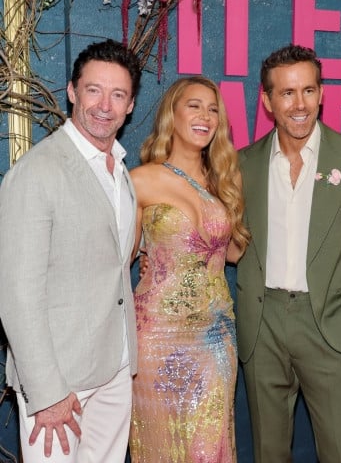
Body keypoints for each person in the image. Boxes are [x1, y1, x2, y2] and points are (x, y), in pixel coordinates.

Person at [0, 39, 141, 462]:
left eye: (118, 94)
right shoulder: (37, 172)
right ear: (72, 92)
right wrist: (46, 392)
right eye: (94, 90)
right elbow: (16, 295)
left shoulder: (120, 170)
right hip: (60, 380)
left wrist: (125, 364)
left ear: (131, 105)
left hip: (115, 367)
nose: (104, 105)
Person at [236, 44, 341, 463]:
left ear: (321, 94)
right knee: (268, 453)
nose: (300, 104)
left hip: (330, 325)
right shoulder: (242, 164)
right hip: (263, 325)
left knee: (340, 454)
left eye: (308, 91)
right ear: (267, 101)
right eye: (287, 93)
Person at [128, 76, 250, 462]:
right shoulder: (140, 180)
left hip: (214, 337)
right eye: (194, 106)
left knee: (207, 449)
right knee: (160, 446)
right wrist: (150, 251)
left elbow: (234, 253)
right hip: (155, 335)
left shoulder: (225, 179)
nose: (205, 116)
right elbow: (119, 258)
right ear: (172, 114)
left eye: (213, 110)